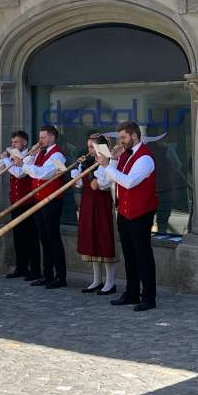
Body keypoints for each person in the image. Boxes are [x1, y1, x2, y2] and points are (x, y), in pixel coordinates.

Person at [97, 121, 158, 312]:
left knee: (143, 255)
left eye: (123, 137)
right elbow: (107, 180)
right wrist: (112, 161)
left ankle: (149, 297)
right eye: (120, 138)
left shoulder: (145, 158)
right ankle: (131, 292)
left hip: (141, 213)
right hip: (124, 211)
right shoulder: (123, 155)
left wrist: (109, 165)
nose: (121, 142)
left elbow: (129, 182)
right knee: (129, 256)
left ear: (134, 136)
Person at [18, 125, 67, 289]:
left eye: (43, 138)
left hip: (52, 201)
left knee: (53, 238)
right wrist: (30, 155)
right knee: (43, 238)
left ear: (52, 138)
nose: (40, 141)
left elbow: (43, 174)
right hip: (39, 199)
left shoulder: (58, 154)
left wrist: (24, 165)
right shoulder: (39, 152)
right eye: (40, 137)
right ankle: (47, 274)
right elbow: (25, 168)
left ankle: (60, 276)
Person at [73, 134, 118, 295]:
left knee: (104, 239)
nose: (89, 150)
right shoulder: (89, 162)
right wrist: (78, 176)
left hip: (102, 204)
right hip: (88, 204)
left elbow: (101, 183)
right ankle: (97, 279)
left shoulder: (109, 162)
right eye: (89, 147)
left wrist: (94, 178)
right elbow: (82, 184)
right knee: (91, 239)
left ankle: (110, 282)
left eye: (92, 147)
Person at [0, 130, 41, 281]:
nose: (13, 144)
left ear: (24, 143)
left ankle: (34, 269)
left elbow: (19, 173)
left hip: (27, 201)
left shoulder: (29, 156)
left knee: (30, 237)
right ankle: (21, 267)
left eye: (16, 142)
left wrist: (9, 160)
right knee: (18, 236)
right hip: (15, 202)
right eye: (12, 142)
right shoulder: (13, 156)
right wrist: (5, 158)